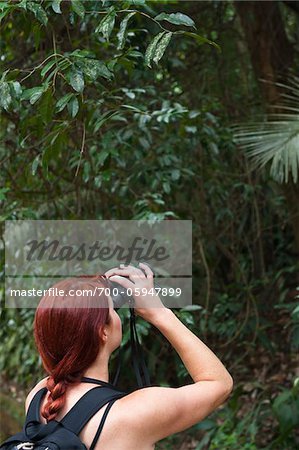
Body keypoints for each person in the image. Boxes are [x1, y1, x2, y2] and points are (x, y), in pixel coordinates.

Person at [26, 262, 233, 449]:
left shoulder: (39, 396)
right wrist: (159, 313)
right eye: (113, 310)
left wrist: (94, 295)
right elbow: (219, 384)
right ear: (103, 332)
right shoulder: (135, 414)